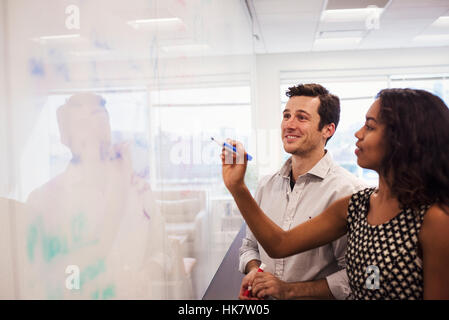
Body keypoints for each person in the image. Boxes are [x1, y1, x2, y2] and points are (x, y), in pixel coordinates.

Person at [222, 88, 449, 299]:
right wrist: (237, 187)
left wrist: (290, 290)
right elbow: (279, 244)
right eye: (287, 115)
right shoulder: (357, 205)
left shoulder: (434, 219)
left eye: (370, 126)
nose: (358, 133)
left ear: (404, 139)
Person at [238, 83, 365, 300]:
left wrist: (289, 290)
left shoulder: (349, 192)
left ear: (328, 129)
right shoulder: (266, 185)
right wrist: (255, 273)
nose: (289, 124)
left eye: (302, 117)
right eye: (286, 115)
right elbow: (249, 246)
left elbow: (359, 276)